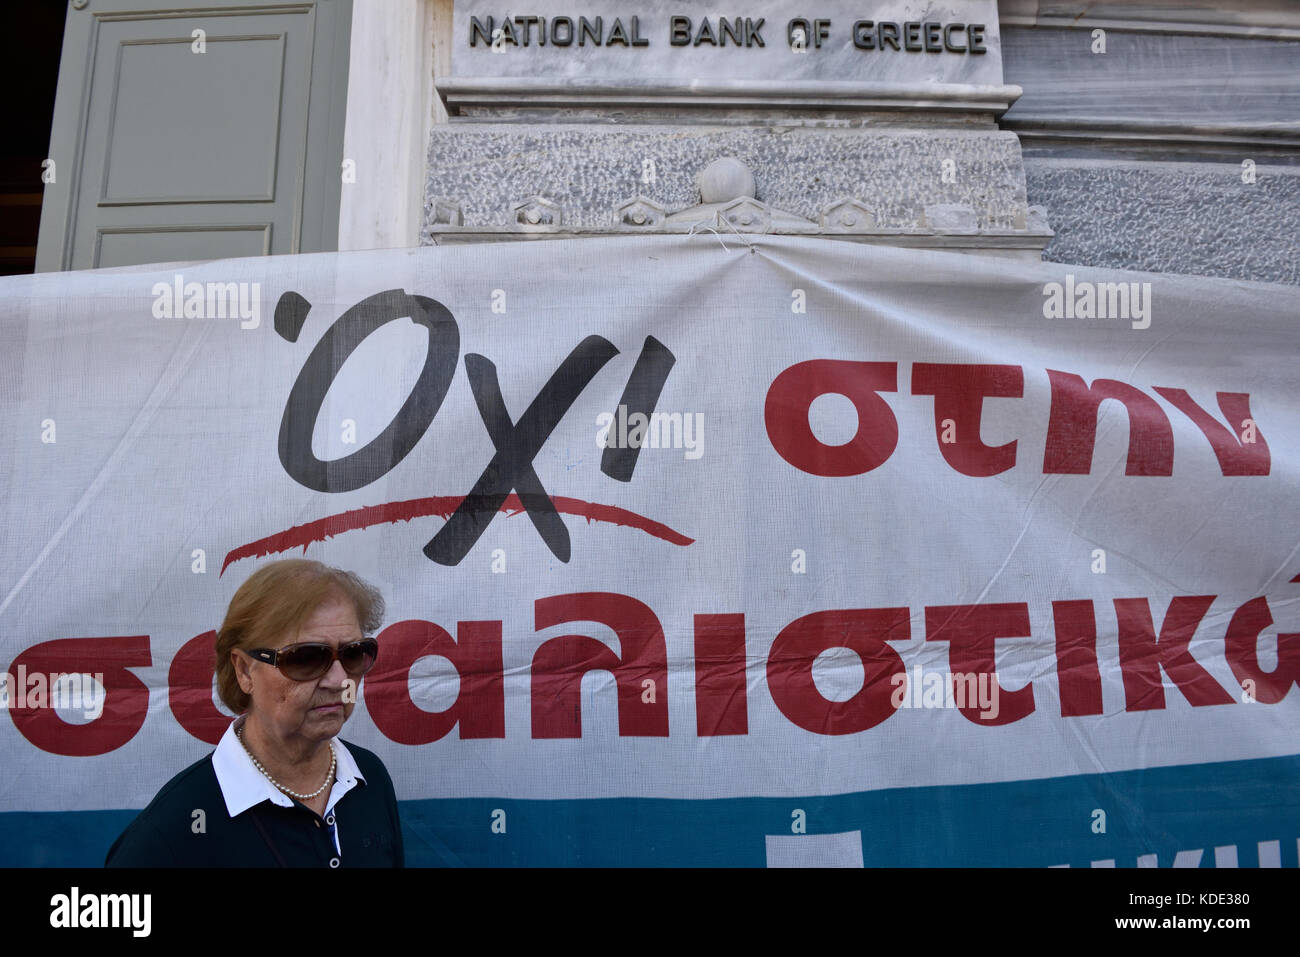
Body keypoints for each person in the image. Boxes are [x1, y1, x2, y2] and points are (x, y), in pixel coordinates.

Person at [106, 559, 403, 867]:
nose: (339, 680)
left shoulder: (369, 777)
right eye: (305, 658)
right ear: (245, 670)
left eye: (354, 653)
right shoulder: (171, 832)